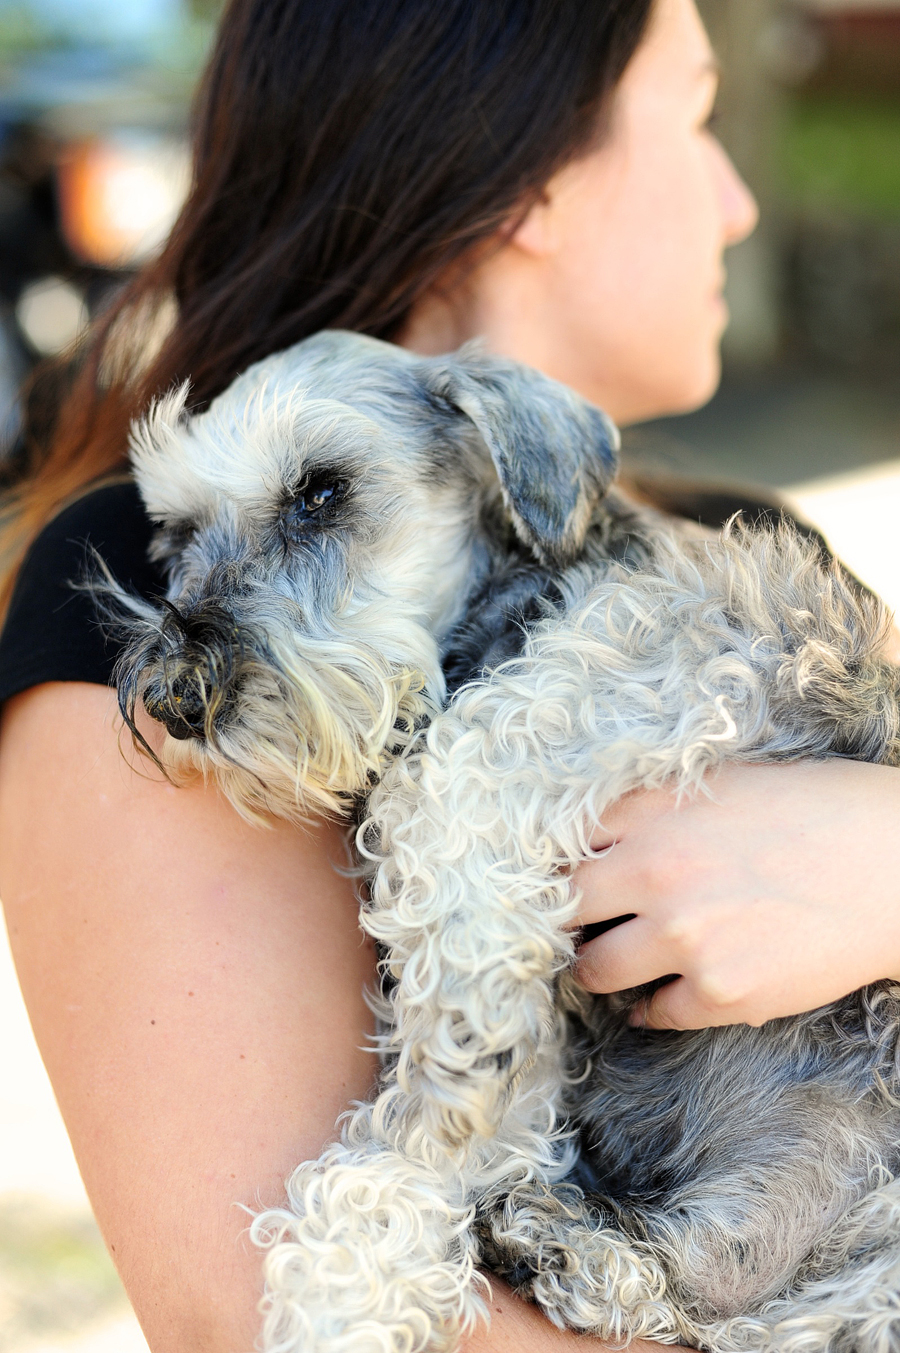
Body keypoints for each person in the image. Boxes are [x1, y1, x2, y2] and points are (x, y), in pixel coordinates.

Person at [2, 1, 899, 1350]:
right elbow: (250, 1315)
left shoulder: (755, 554)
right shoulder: (147, 605)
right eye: (700, 115)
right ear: (538, 179)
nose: (735, 204)